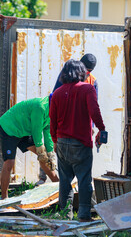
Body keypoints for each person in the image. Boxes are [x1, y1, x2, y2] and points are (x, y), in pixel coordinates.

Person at [49, 59, 106, 222]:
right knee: (84, 181)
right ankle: (84, 216)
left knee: (65, 182)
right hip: (81, 143)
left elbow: (52, 120)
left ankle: (65, 215)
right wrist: (101, 129)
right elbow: (95, 111)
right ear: (82, 73)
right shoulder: (87, 89)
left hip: (62, 142)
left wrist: (54, 140)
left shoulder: (57, 93)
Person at [36, 53, 98, 186]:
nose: (86, 73)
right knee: (51, 145)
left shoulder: (93, 81)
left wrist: (91, 126)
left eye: (89, 71)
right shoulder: (67, 75)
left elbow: (93, 106)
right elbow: (54, 96)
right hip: (64, 119)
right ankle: (44, 177)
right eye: (85, 70)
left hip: (79, 123)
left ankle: (79, 185)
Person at [0, 96, 59, 199]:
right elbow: (36, 130)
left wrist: (50, 153)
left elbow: (47, 132)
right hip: (9, 128)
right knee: (9, 162)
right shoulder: (40, 107)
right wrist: (41, 150)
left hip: (23, 131)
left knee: (44, 158)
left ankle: (58, 186)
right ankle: (4, 198)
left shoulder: (52, 112)